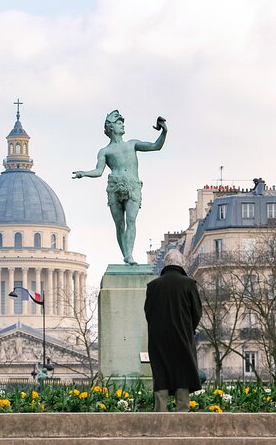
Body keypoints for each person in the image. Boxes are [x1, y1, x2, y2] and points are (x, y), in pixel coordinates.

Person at [73, 110, 167, 265]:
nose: (122, 125)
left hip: (132, 186)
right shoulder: (105, 151)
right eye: (118, 122)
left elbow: (156, 146)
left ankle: (129, 255)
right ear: (111, 128)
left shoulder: (132, 144)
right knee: (119, 224)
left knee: (131, 220)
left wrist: (164, 130)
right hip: (114, 187)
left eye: (122, 122)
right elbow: (98, 171)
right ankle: (126, 254)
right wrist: (83, 173)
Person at [144, 249, 202, 412]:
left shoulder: (153, 285)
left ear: (165, 264)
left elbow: (148, 311)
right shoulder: (189, 283)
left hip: (158, 336)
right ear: (181, 264)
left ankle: (160, 411)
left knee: (160, 370)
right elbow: (197, 312)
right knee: (183, 369)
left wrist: (157, 328)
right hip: (182, 333)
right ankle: (182, 409)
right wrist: (189, 329)